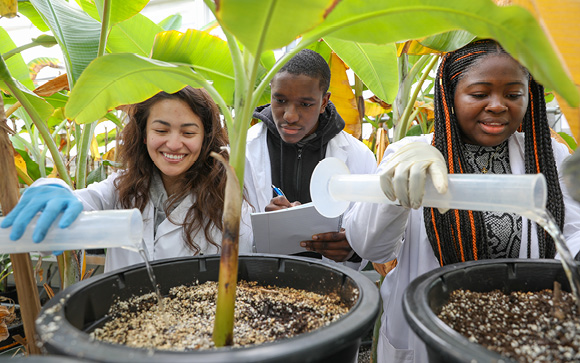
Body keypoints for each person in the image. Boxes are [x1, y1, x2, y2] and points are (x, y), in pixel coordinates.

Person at [343, 39, 580, 362]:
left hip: (520, 330)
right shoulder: (412, 154)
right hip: (429, 333)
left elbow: (571, 233)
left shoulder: (548, 155)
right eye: (479, 94)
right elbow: (370, 246)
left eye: (513, 94)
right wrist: (397, 188)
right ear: (450, 97)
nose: (498, 105)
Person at [1, 86, 254, 273]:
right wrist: (53, 189)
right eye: (161, 130)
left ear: (205, 138)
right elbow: (71, 214)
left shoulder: (227, 199)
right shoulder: (121, 187)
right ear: (144, 135)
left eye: (188, 132)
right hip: (127, 334)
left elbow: (243, 278)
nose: (174, 144)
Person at [244, 49, 376, 268]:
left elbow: (374, 237)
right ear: (271, 93)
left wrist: (353, 249)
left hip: (331, 286)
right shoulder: (243, 152)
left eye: (305, 104)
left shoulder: (359, 156)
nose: (290, 115)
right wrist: (265, 228)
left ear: (324, 101)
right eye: (280, 100)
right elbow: (223, 233)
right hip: (260, 284)